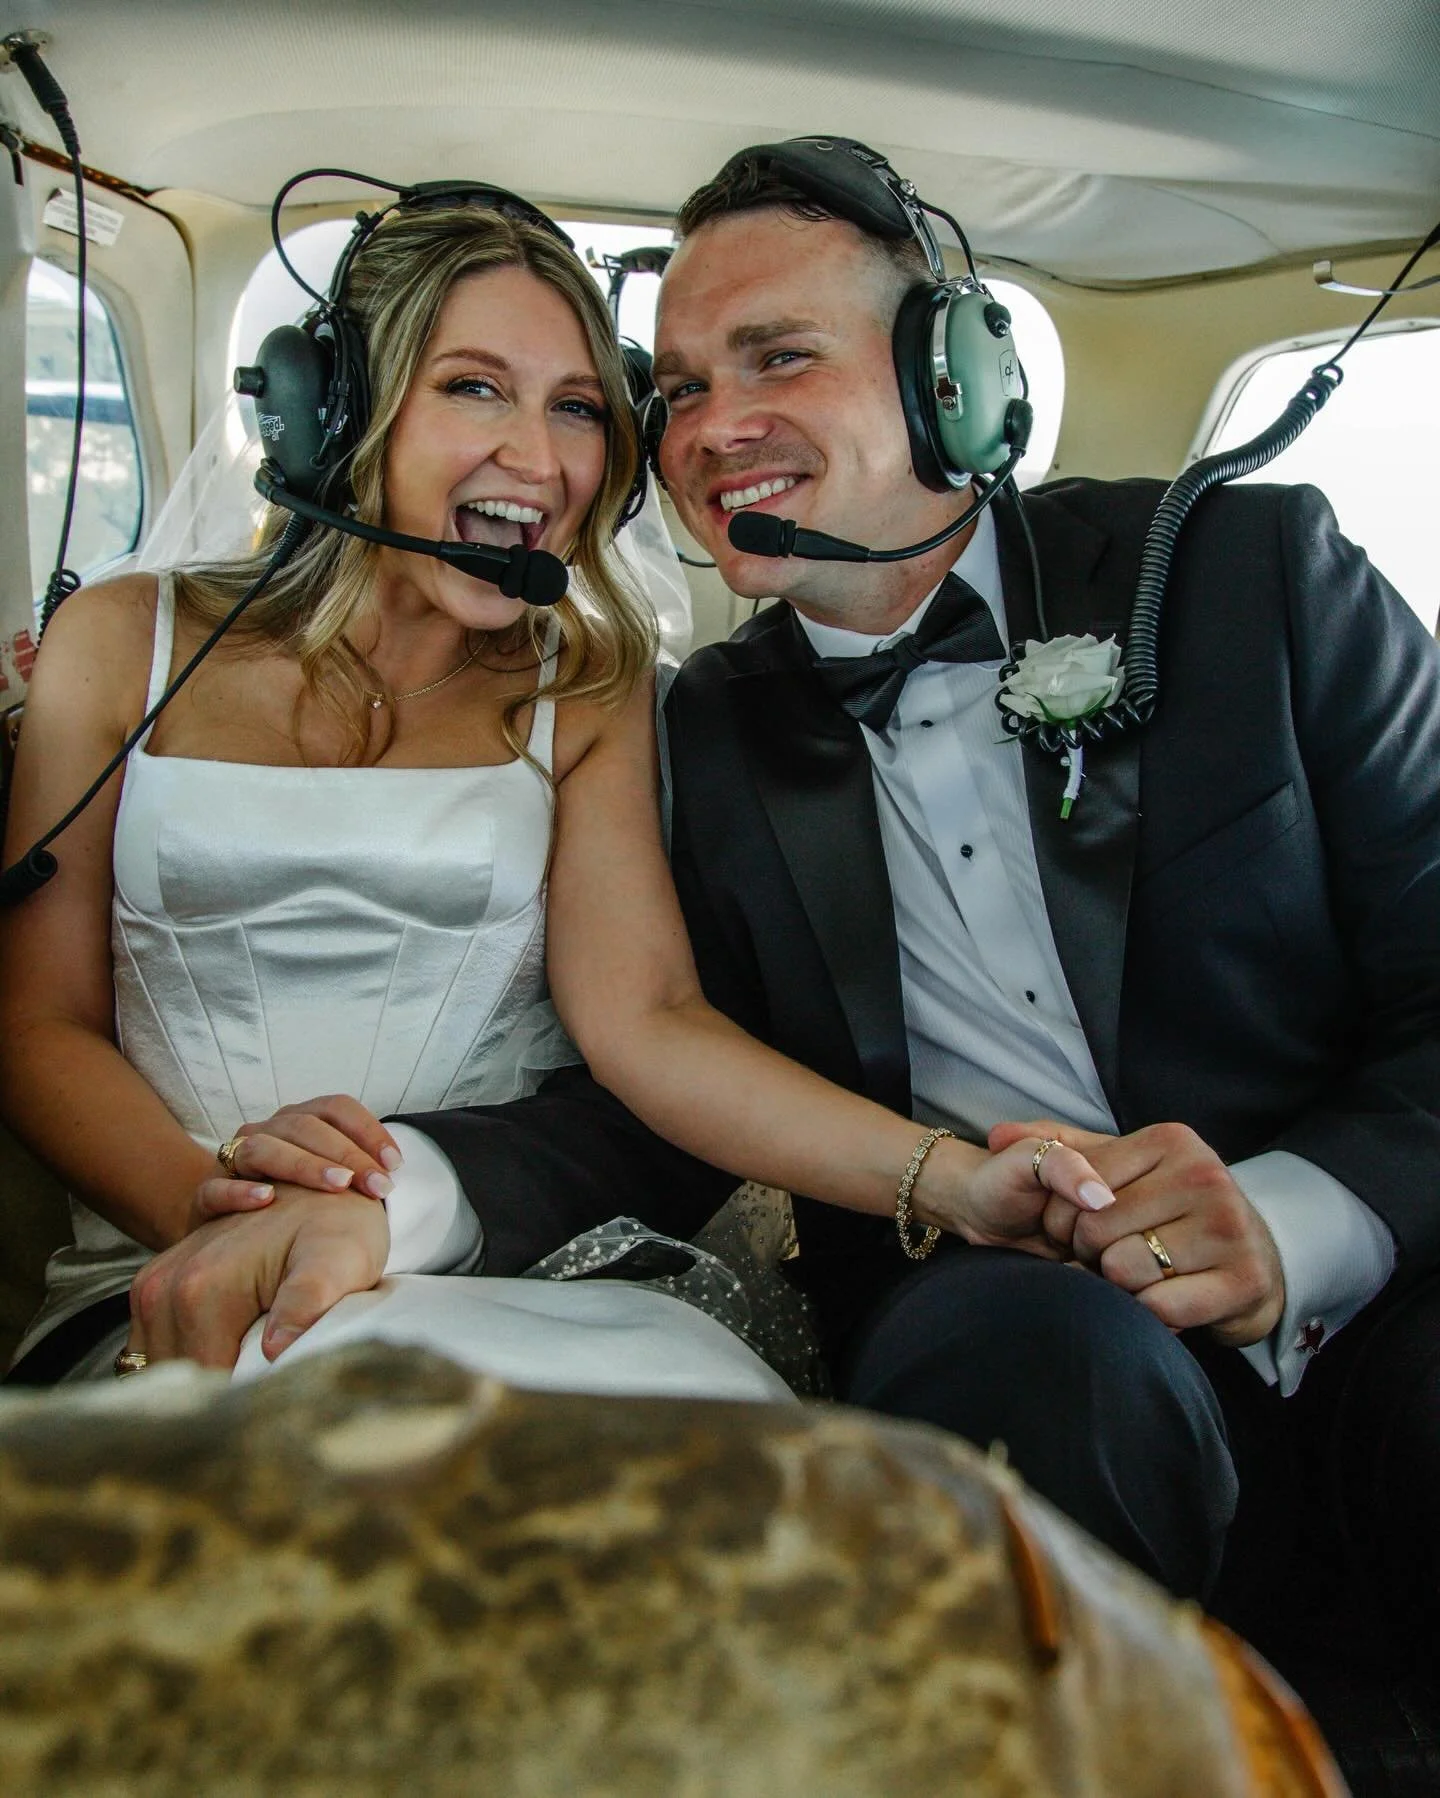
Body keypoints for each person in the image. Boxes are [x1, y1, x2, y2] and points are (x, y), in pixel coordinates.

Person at [187, 137, 1440, 1645]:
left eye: (779, 357)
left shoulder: (1253, 573)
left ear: (950, 381)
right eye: (677, 389)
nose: (716, 428)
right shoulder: (705, 730)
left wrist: (1290, 1223)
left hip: (1374, 1283)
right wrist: (391, 1196)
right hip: (1011, 1318)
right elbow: (659, 1078)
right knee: (1036, 1364)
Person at [0, 182, 1112, 1393]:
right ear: (339, 407)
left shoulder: (588, 684)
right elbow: (36, 1023)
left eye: (577, 407)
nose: (536, 460)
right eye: (472, 387)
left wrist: (954, 1180)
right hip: (169, 1258)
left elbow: (650, 1020)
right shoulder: (121, 641)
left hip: (498, 1273)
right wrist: (228, 1226)